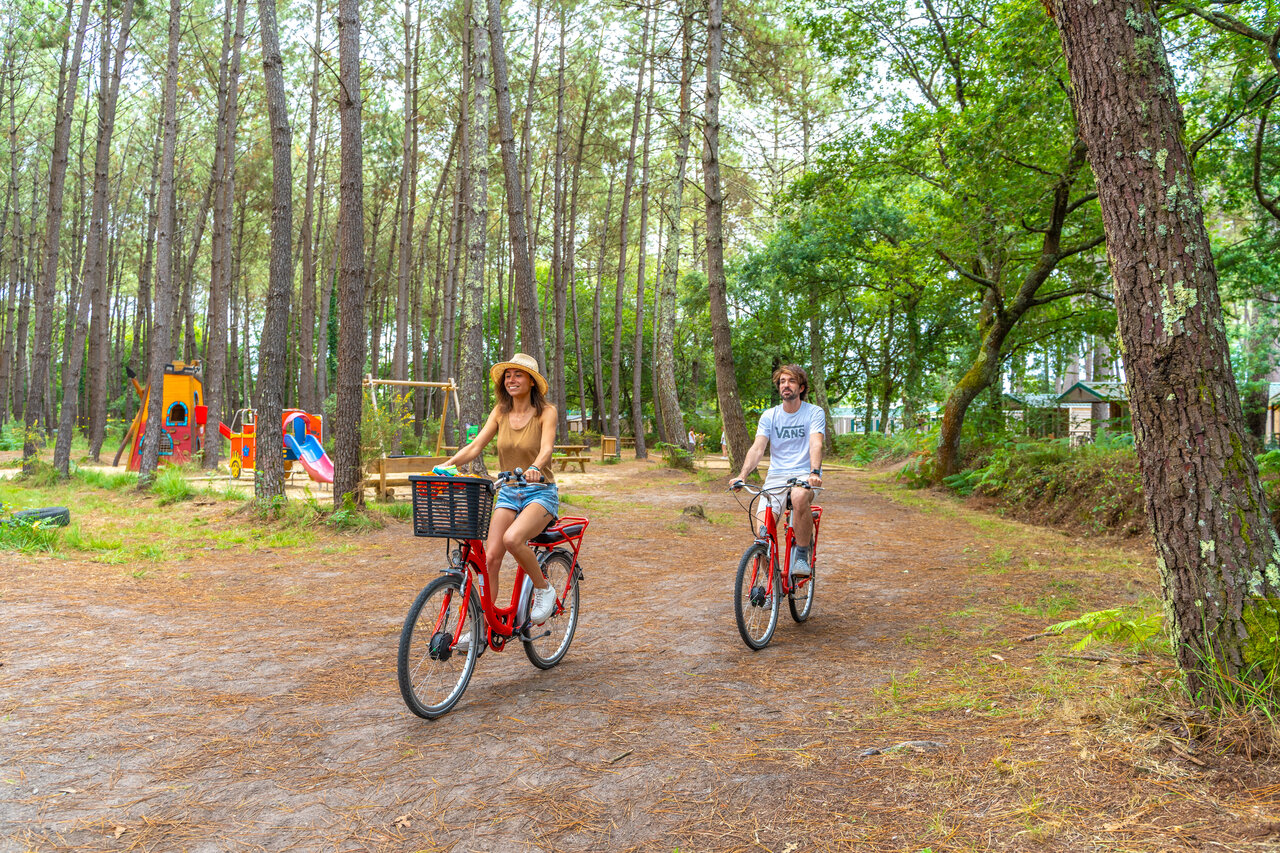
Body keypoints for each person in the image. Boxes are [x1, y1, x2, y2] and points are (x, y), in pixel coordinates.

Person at [439, 353, 559, 623]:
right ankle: (483, 625)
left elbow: (547, 449)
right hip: (508, 492)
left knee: (512, 539)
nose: (511, 379)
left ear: (531, 382)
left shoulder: (546, 412)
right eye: (508, 375)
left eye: (518, 374)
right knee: (491, 557)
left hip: (539, 492)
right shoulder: (501, 411)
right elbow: (475, 446)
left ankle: (544, 589)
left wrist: (536, 469)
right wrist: (447, 464)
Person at [730, 365, 824, 577]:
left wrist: (815, 472)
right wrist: (742, 475)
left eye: (791, 381)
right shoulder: (769, 415)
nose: (785, 385)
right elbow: (757, 448)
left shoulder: (814, 412)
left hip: (803, 475)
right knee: (762, 535)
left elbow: (815, 443)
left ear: (801, 387)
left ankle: (801, 554)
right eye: (782, 381)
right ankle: (772, 584)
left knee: (800, 497)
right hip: (775, 478)